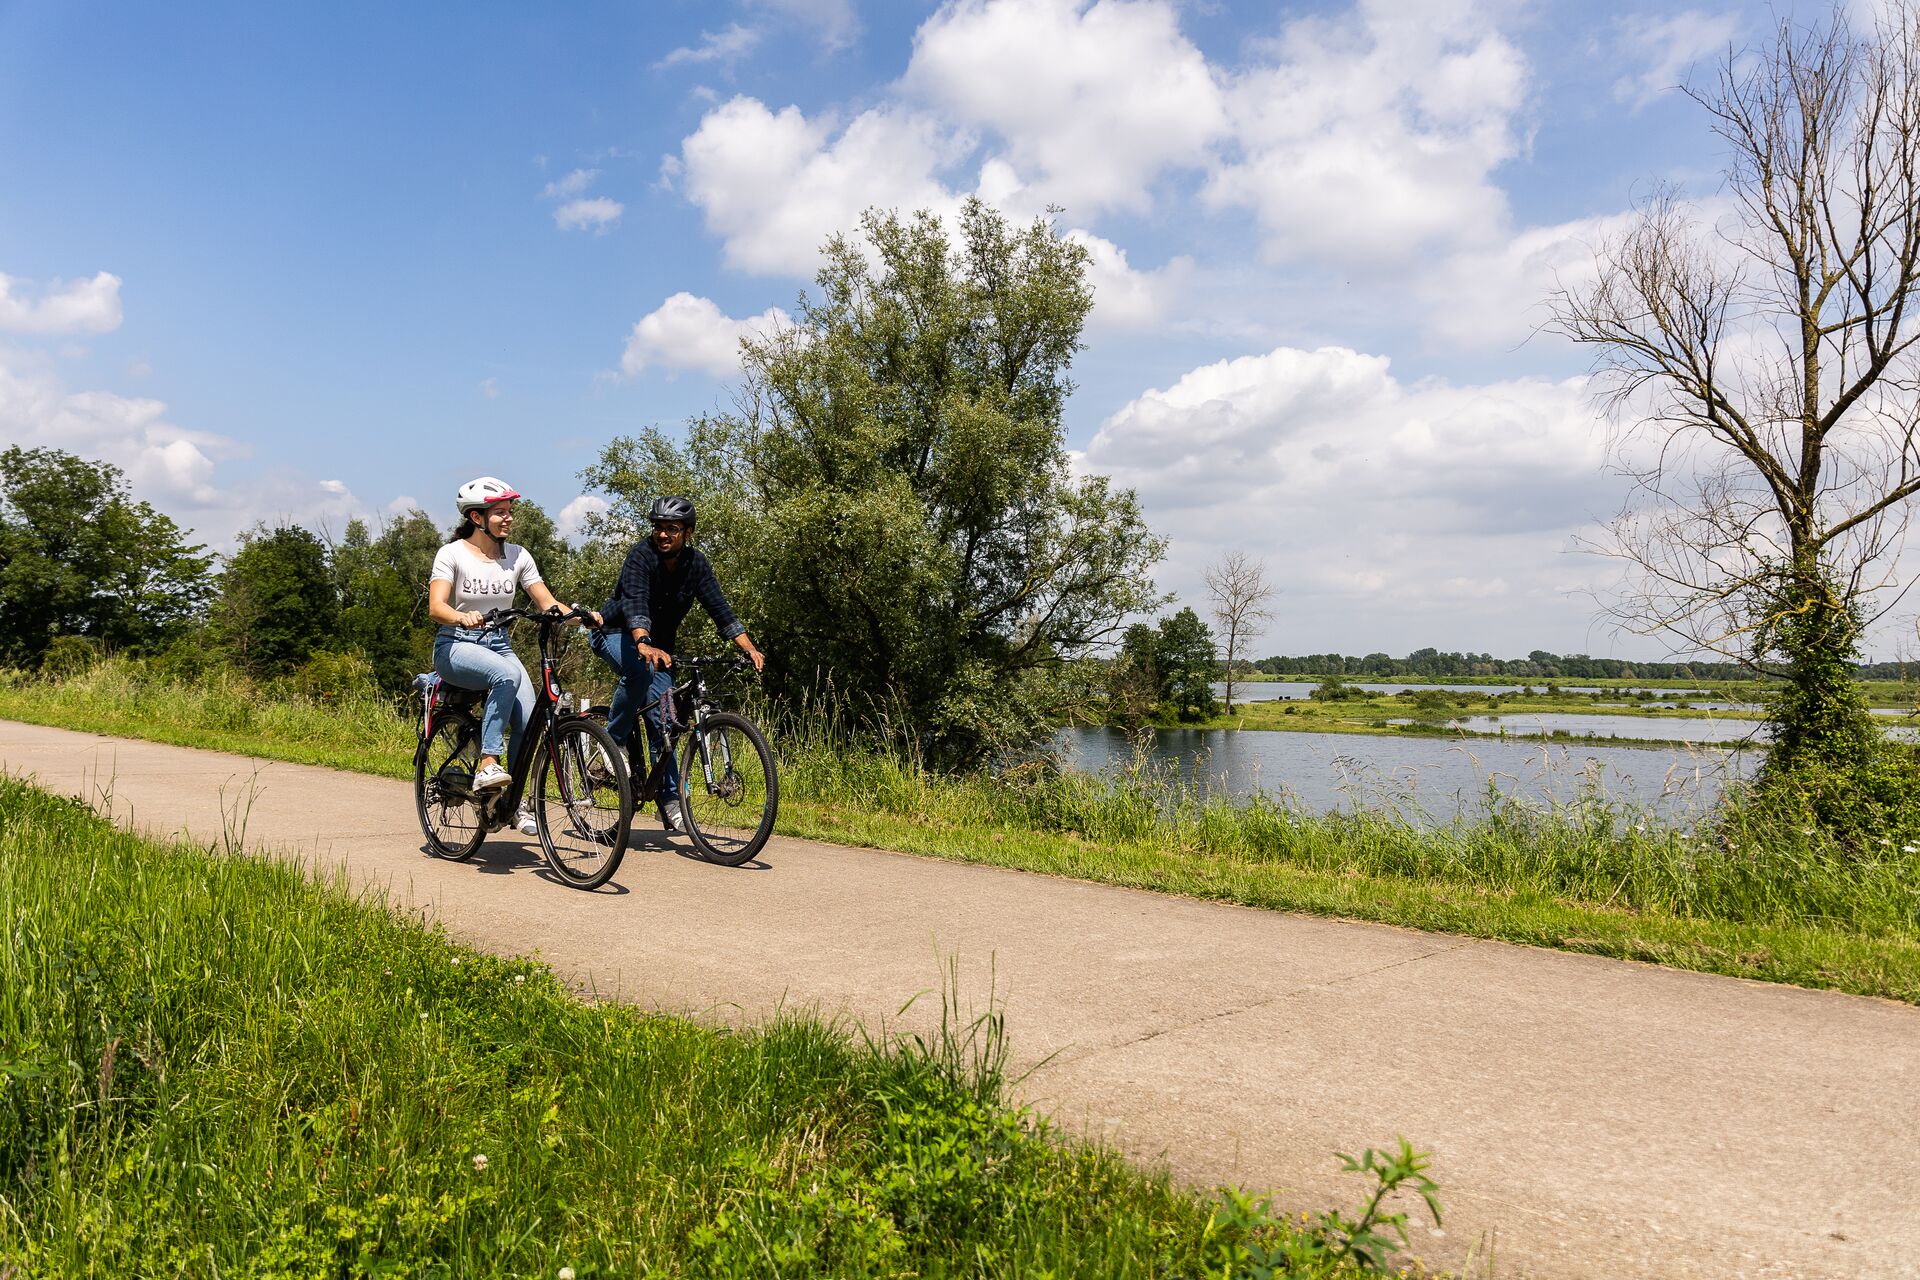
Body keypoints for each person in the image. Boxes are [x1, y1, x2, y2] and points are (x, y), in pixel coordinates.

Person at [427, 476, 597, 837]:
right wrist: (461, 616)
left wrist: (579, 617)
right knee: (506, 675)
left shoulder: (518, 556)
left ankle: (513, 801)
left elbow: (546, 601)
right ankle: (488, 762)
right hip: (456, 643)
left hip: (500, 645)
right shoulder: (452, 554)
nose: (508, 518)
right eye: (500, 512)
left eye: (509, 512)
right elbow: (436, 607)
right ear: (477, 517)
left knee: (528, 716)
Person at [591, 495, 764, 830]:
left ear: (688, 533)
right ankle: (614, 742)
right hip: (613, 633)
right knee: (639, 669)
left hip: (658, 649)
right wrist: (642, 641)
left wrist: (748, 647)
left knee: (665, 721)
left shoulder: (696, 565)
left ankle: (670, 801)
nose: (663, 534)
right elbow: (636, 602)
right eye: (658, 527)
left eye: (672, 528)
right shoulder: (640, 556)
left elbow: (719, 607)